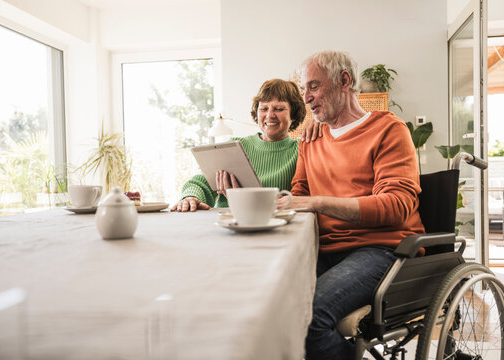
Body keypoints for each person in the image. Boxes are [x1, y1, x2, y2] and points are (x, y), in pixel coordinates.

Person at [285, 50, 425, 360]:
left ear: (344, 81)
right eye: (303, 90)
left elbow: (397, 205)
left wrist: (317, 202)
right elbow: (300, 190)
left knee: (307, 317)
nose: (305, 98)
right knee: (271, 306)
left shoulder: (389, 129)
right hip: (323, 249)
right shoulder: (311, 138)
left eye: (313, 87)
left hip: (380, 250)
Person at [171, 79, 306, 212]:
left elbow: (300, 199)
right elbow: (200, 182)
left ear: (293, 114)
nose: (270, 115)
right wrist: (191, 197)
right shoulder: (235, 146)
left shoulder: (301, 149)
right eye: (264, 108)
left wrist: (247, 198)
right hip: (226, 223)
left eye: (278, 108)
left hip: (272, 224)